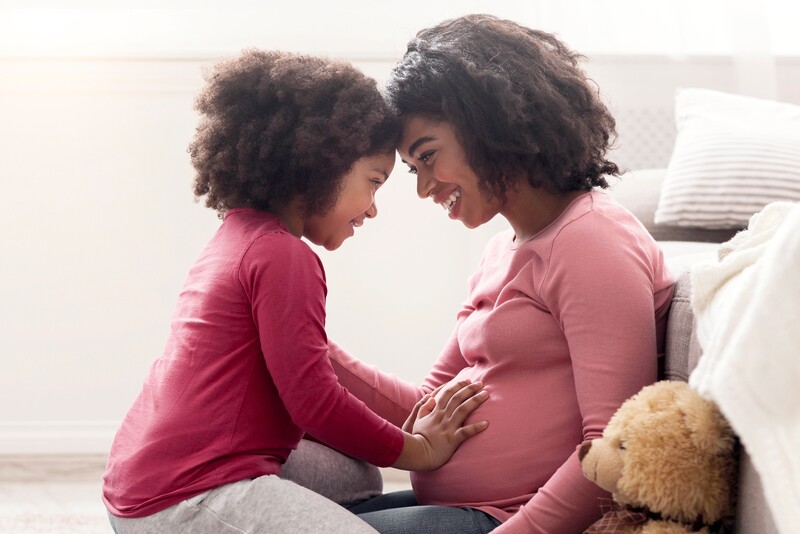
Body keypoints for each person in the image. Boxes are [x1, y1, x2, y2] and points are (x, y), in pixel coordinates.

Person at [101, 49, 489, 534]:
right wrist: (420, 452)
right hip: (191, 494)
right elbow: (315, 403)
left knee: (356, 474)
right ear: (320, 165)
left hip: (143, 478)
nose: (372, 210)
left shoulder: (238, 236)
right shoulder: (286, 256)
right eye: (373, 183)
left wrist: (403, 428)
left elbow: (320, 372)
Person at [314, 14, 676, 534]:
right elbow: (420, 406)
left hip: (508, 519)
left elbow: (613, 445)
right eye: (414, 170)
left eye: (429, 156)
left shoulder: (591, 240)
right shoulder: (499, 251)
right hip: (463, 510)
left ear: (491, 125)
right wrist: (311, 347)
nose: (423, 189)